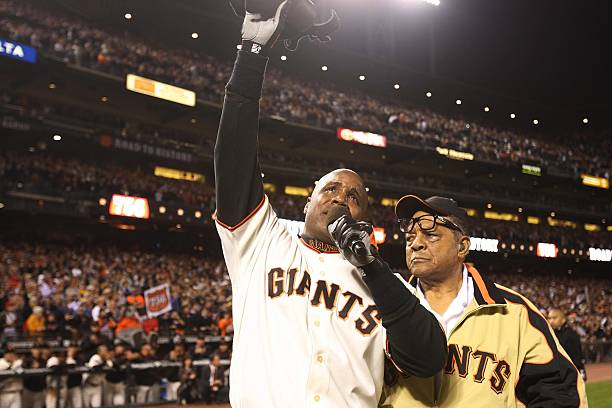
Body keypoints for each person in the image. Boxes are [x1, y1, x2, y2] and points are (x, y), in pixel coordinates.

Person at [213, 1, 447, 406]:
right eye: (331, 190)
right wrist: (252, 52)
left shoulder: (384, 284)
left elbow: (428, 358)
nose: (341, 197)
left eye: (354, 197)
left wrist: (369, 264)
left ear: (365, 218)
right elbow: (235, 156)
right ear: (307, 203)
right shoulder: (263, 238)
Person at [380, 195, 588, 407]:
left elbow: (561, 391)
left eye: (431, 235)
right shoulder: (380, 307)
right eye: (410, 237)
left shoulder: (514, 312)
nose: (416, 244)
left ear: (462, 247)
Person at [548, 308, 587, 381]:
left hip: (569, 375)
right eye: (549, 318)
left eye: (554, 318)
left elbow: (577, 358)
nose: (551, 321)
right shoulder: (551, 334)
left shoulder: (570, 334)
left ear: (563, 319)